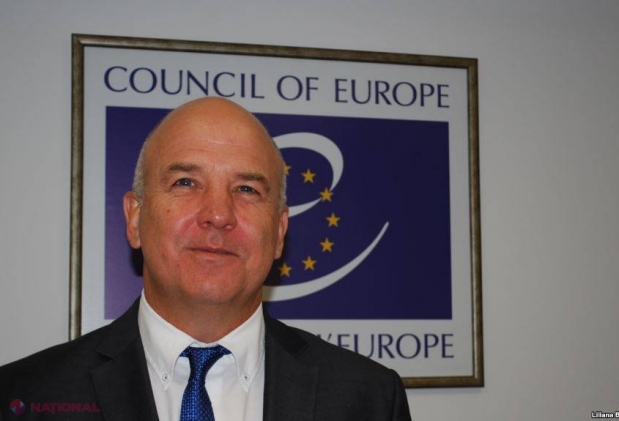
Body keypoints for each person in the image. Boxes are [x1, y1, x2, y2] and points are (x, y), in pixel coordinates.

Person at [0, 98, 412, 420]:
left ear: (279, 231)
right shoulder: (24, 396)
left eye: (247, 189)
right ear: (135, 218)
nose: (218, 214)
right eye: (186, 182)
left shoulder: (371, 399)